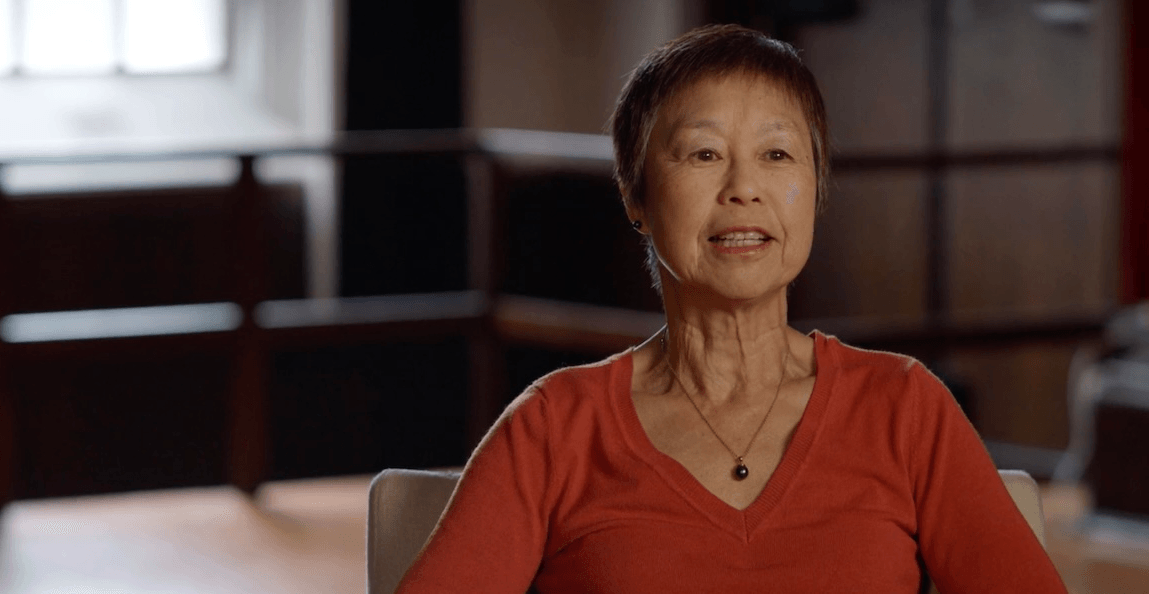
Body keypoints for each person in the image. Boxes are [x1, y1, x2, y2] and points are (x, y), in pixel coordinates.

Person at [395, 24, 1068, 593]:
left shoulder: (906, 409)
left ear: (816, 190)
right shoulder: (554, 429)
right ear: (637, 196)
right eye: (704, 153)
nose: (744, 188)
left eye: (777, 154)